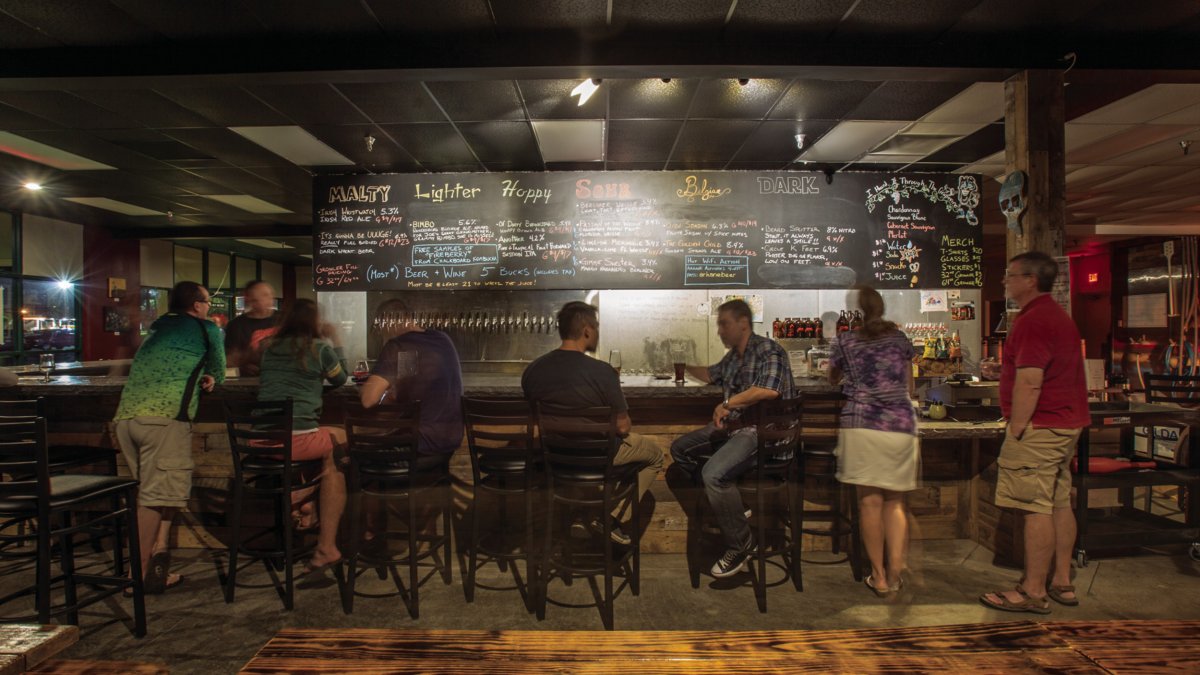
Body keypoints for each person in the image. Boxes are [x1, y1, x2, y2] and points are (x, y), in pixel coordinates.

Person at [980, 251, 1089, 614]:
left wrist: (1018, 426)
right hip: (1065, 423)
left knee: (1032, 508)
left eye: (1010, 276)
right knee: (1058, 501)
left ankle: (1032, 590)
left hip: (1040, 426)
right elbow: (1035, 369)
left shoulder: (1032, 321)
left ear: (1030, 280)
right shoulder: (1055, 316)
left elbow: (1030, 382)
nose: (1005, 282)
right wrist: (1004, 371)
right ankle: (1062, 580)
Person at [113, 281, 225, 593]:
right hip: (164, 420)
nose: (209, 306)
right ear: (197, 305)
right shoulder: (207, 330)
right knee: (152, 500)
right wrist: (212, 377)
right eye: (207, 301)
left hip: (126, 419)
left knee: (160, 493)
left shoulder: (159, 327)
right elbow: (219, 368)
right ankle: (137, 575)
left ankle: (158, 555)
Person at [670, 299, 794, 577]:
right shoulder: (735, 357)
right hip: (738, 429)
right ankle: (734, 509)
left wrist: (727, 404)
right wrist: (682, 366)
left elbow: (768, 389)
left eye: (724, 324)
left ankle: (740, 544)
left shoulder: (767, 349)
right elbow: (711, 374)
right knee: (680, 449)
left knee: (713, 474)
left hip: (764, 435)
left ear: (743, 324)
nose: (720, 331)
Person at [522, 301, 663, 545]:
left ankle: (581, 514)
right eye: (596, 327)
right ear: (587, 330)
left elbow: (534, 420)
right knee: (655, 456)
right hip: (599, 455)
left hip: (554, 457)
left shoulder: (533, 370)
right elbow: (623, 427)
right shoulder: (602, 372)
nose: (597, 332)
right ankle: (607, 516)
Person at [828, 285, 919, 597]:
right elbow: (910, 385)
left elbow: (832, 378)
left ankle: (878, 577)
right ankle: (895, 574)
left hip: (862, 424)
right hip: (900, 425)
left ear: (855, 311)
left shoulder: (846, 340)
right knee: (895, 502)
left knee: (869, 502)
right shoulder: (899, 340)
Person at [256, 299, 349, 574]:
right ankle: (325, 544)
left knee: (324, 443)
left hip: (259, 442)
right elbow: (341, 379)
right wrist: (337, 340)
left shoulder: (268, 347)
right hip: (295, 440)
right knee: (342, 443)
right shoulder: (320, 349)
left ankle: (305, 500)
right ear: (314, 322)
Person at [359, 298, 465, 465]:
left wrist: (368, 388)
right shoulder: (442, 338)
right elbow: (408, 383)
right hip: (448, 445)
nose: (381, 333)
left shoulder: (398, 345)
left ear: (389, 322)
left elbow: (368, 400)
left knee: (348, 456)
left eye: (380, 326)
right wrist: (391, 393)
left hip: (416, 448)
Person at [224, 280, 278, 377]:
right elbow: (229, 359)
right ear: (251, 300)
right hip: (250, 379)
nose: (270, 298)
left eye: (270, 294)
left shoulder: (285, 319)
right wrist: (243, 365)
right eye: (264, 295)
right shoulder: (236, 325)